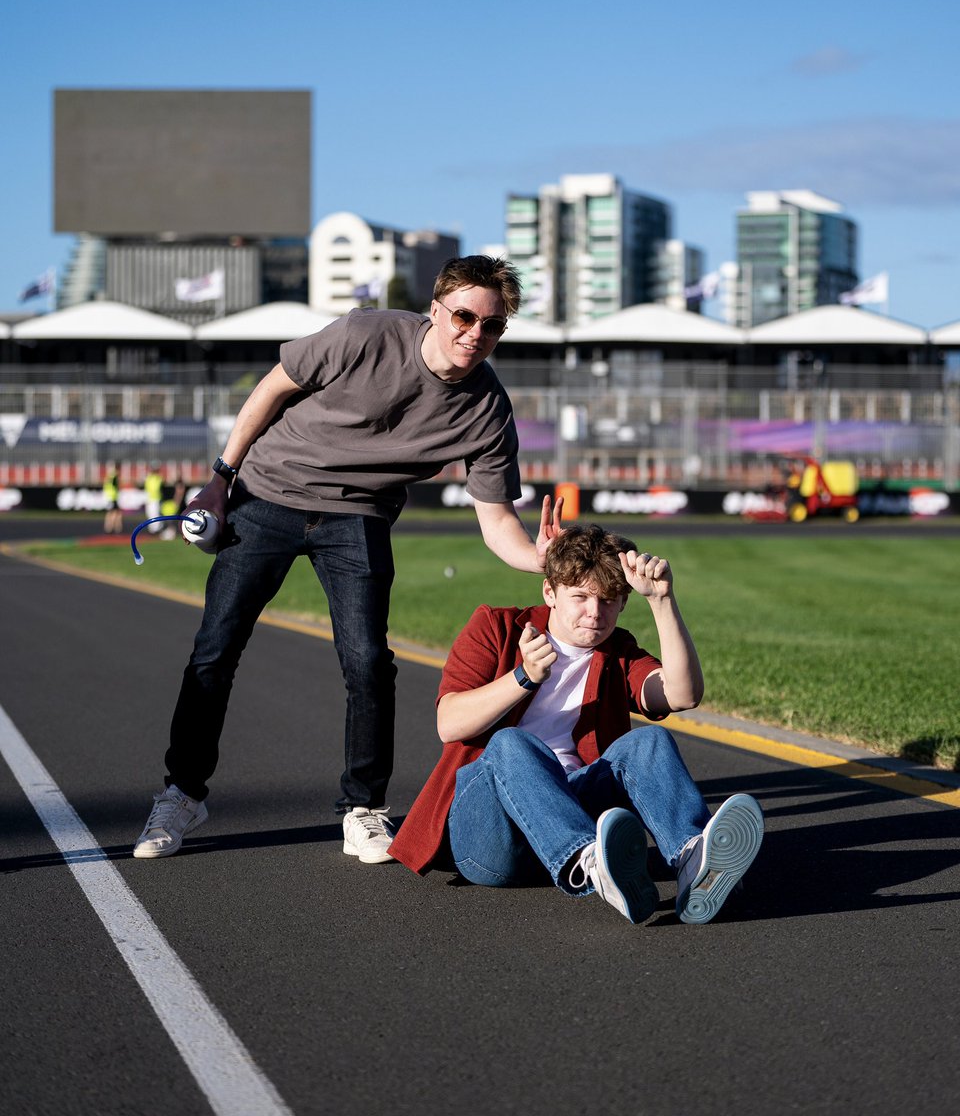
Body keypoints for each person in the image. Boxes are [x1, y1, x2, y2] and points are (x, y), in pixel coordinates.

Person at [133, 256, 564, 861]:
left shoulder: (488, 410)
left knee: (367, 661)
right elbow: (274, 386)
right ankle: (182, 794)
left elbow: (496, 522)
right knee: (215, 649)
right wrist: (220, 480)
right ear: (436, 310)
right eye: (464, 316)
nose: (475, 334)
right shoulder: (367, 334)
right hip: (268, 493)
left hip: (356, 517)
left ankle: (363, 808)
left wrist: (541, 559)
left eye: (492, 326)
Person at [389, 524, 764, 925]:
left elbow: (682, 695)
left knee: (650, 740)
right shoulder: (495, 627)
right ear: (549, 592)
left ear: (622, 603)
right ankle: (592, 861)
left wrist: (662, 601)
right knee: (511, 743)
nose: (594, 613)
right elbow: (450, 724)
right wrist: (524, 678)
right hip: (492, 836)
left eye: (608, 600)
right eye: (580, 597)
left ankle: (694, 861)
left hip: (574, 802)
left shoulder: (618, 650)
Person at [102, 462, 123, 534]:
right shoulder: (114, 476)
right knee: (113, 513)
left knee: (114, 513)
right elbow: (115, 485)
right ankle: (111, 528)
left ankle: (113, 528)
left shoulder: (110, 475)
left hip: (110, 497)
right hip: (112, 497)